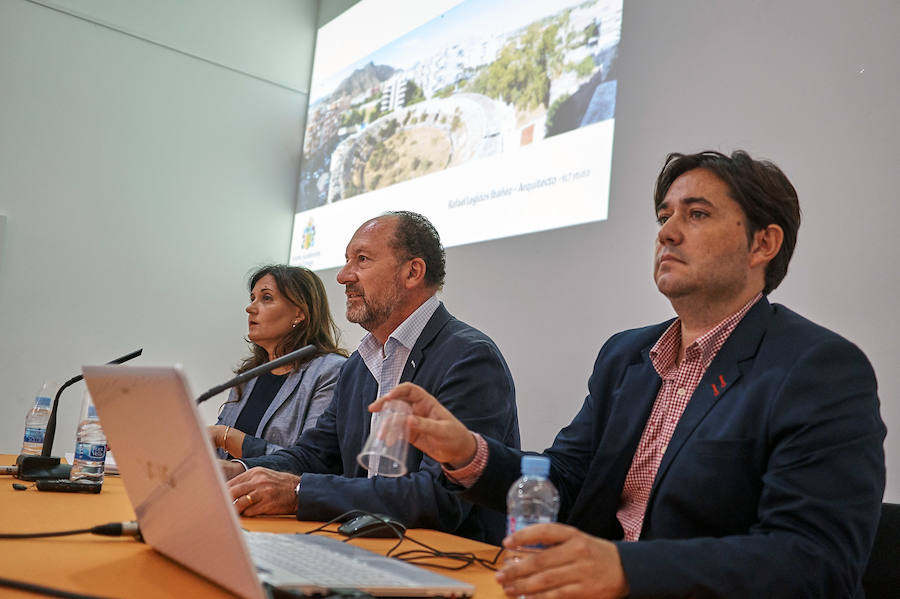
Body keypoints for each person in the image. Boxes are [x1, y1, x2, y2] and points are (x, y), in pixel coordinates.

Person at [373, 151, 886, 598]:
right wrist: (467, 452)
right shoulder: (627, 357)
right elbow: (566, 480)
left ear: (762, 245)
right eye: (664, 216)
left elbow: (816, 561)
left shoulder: (817, 368)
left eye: (698, 213)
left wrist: (623, 570)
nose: (666, 231)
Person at [222, 211, 519, 544]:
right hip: (362, 547)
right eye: (347, 261)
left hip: (445, 564)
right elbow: (317, 455)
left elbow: (441, 497)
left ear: (412, 272)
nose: (343, 276)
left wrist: (298, 491)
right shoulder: (358, 365)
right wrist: (242, 471)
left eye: (361, 260)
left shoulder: (469, 358)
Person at [209, 265, 347, 459]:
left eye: (266, 298)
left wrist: (228, 438)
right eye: (252, 299)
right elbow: (215, 452)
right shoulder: (247, 377)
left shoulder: (329, 371)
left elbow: (313, 460)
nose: (250, 308)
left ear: (299, 313)